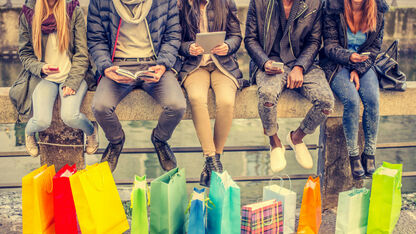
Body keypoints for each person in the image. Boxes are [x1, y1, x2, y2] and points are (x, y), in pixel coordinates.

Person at [87, 0, 186, 172]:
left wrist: (163, 64)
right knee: (100, 107)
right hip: (117, 66)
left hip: (154, 64)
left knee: (177, 106)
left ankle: (160, 139)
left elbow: (173, 36)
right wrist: (106, 67)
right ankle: (116, 141)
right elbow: (96, 40)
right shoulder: (99, 2)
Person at [245, 0, 334, 172]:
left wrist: (300, 66)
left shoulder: (315, 3)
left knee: (326, 101)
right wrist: (264, 63)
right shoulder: (258, 2)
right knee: (267, 95)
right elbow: (250, 39)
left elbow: (315, 41)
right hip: (269, 61)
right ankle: (274, 142)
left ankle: (297, 138)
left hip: (302, 62)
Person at [16, 0, 99, 157]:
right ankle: (28, 132)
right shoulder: (29, 14)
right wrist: (40, 68)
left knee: (70, 117)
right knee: (41, 121)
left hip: (73, 75)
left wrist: (72, 82)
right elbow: (25, 54)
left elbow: (82, 53)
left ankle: (91, 131)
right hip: (44, 78)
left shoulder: (73, 10)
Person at [178, 0, 244, 186]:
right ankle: (212, 159)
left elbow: (236, 36)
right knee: (196, 98)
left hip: (222, 65)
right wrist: (188, 48)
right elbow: (175, 40)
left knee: (226, 102)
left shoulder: (225, 3)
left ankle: (214, 159)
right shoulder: (181, 5)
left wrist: (228, 46)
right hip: (195, 65)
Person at [321, 0, 388, 179]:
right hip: (336, 63)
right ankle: (354, 155)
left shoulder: (379, 10)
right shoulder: (333, 7)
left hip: (364, 64)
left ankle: (369, 153)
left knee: (372, 100)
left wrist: (358, 69)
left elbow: (375, 48)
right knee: (351, 100)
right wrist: (350, 58)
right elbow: (330, 46)